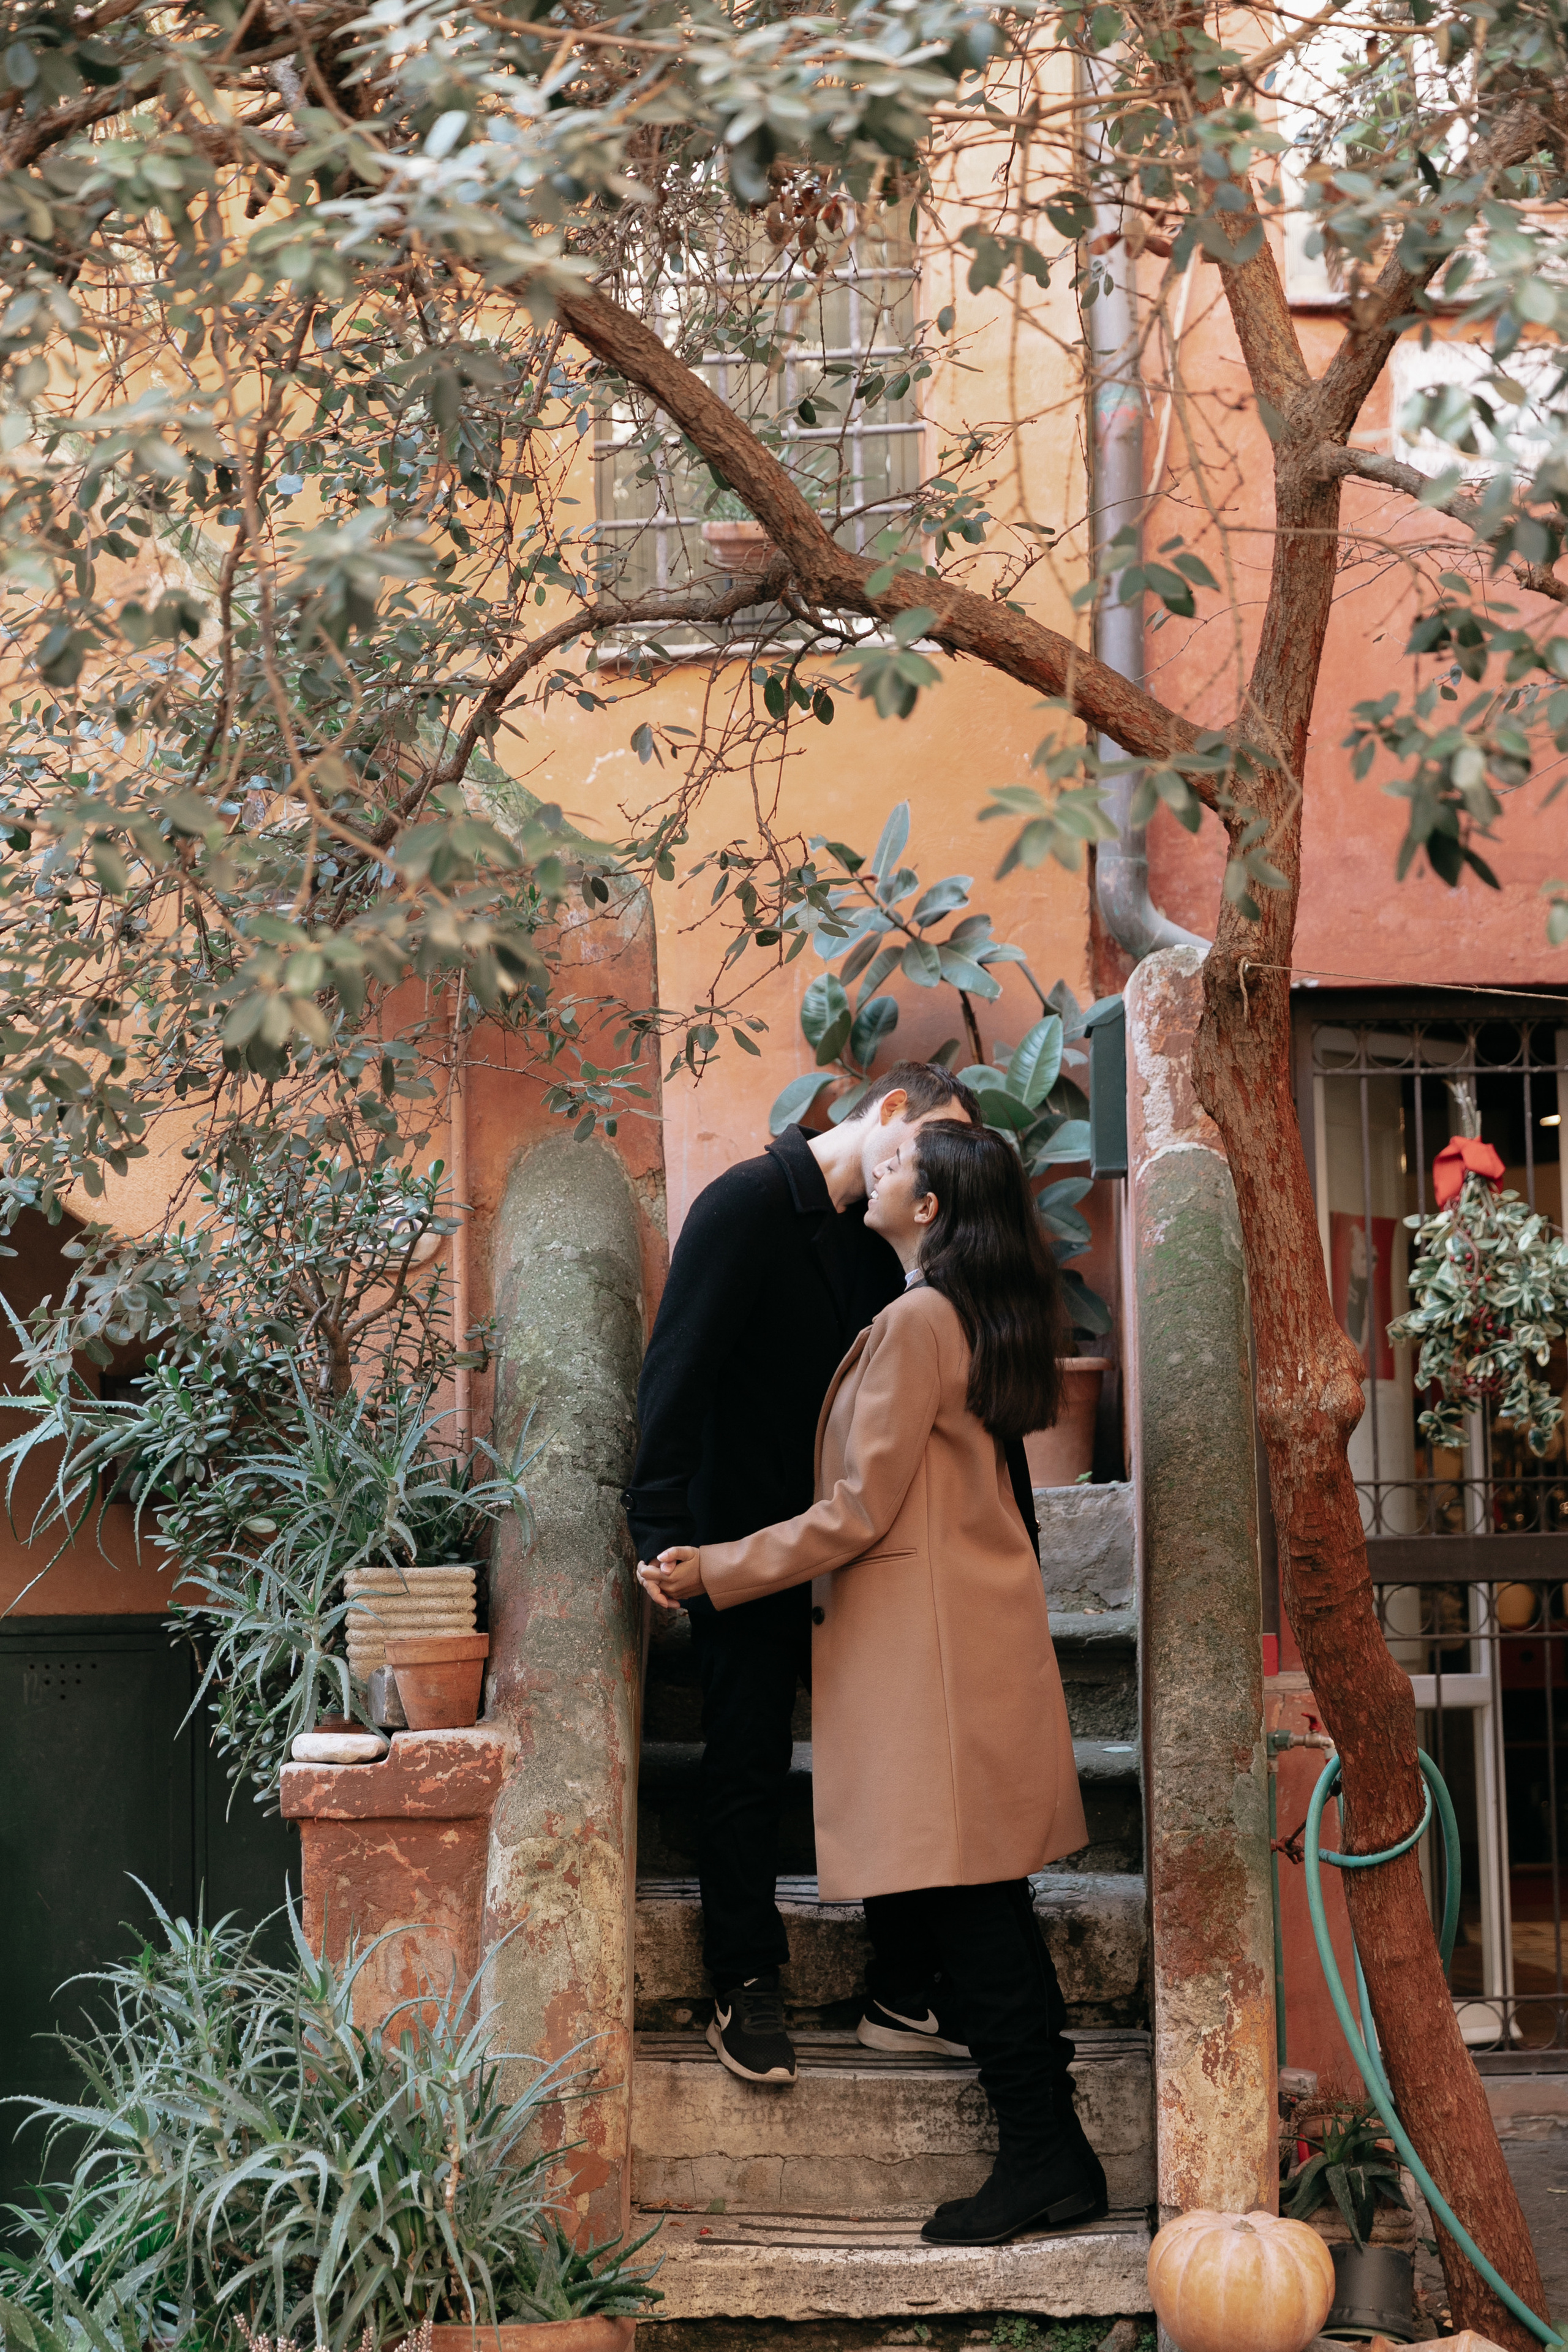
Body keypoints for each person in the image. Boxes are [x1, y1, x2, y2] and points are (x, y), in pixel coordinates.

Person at [637, 1120, 1104, 2248]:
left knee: (971, 1908)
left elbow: (855, 1514)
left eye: (898, 1169)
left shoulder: (912, 1324)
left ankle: (1041, 2154)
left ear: (932, 1208)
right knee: (987, 1900)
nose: (874, 1173)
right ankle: (1061, 2152)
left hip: (930, 1656)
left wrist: (714, 1570)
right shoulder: (972, 1319)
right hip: (961, 1640)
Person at [623, 1063, 1042, 2089]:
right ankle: (744, 1977)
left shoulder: (893, 1238)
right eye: (926, 1142)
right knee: (747, 1761)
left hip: (861, 1551)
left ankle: (904, 1985)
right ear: (891, 1112)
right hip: (746, 1544)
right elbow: (674, 1377)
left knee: (898, 1769)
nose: (928, 1171)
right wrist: (662, 1539)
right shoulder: (746, 1206)